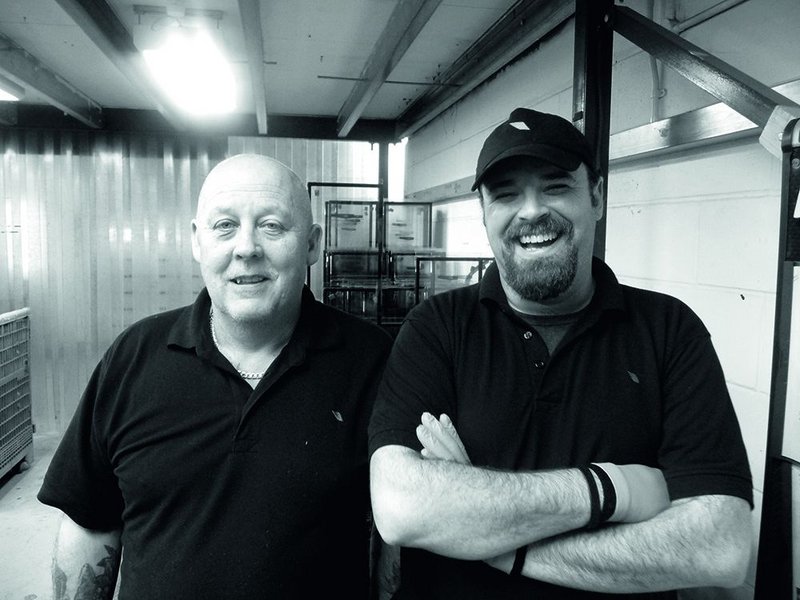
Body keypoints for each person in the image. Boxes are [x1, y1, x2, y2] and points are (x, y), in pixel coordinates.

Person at [368, 108, 754, 599]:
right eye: (506, 194)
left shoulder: (669, 331)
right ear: (484, 213)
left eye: (555, 187)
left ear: (595, 196)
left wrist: (493, 540)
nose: (531, 211)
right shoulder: (435, 328)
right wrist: (614, 489)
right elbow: (401, 507)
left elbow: (718, 546)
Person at [38, 154, 393, 599]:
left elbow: (391, 545)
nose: (246, 248)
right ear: (197, 241)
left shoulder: (373, 360)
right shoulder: (133, 358)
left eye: (272, 226)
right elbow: (88, 522)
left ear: (312, 244)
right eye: (225, 226)